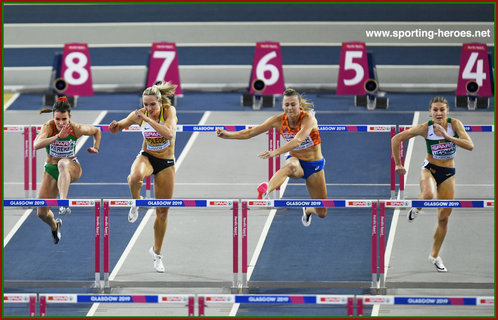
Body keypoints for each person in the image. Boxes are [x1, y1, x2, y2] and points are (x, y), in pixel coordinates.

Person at [217, 88, 327, 227]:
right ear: (282, 105)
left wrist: (276, 152)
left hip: (315, 165)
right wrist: (228, 135)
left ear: (299, 105)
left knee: (322, 212)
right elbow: (250, 133)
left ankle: (307, 209)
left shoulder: (308, 119)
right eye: (286, 105)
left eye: (293, 104)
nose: (290, 108)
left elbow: (298, 140)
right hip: (296, 161)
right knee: (291, 166)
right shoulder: (277, 120)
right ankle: (265, 191)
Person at [391, 96, 474, 272]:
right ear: (430, 112)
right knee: (428, 195)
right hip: (430, 169)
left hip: (448, 173)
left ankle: (434, 256)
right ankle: (417, 207)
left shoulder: (455, 125)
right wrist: (398, 164)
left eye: (441, 110)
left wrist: (446, 136)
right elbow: (396, 139)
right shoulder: (425, 128)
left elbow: (470, 145)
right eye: (435, 110)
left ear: (447, 111)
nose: (438, 113)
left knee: (444, 218)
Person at [109, 81, 178, 273]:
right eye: (146, 105)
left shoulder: (168, 111)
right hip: (147, 157)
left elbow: (169, 134)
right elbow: (118, 127)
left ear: (160, 102)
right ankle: (135, 201)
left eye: (152, 105)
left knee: (162, 213)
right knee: (134, 177)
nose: (149, 108)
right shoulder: (138, 114)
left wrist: (147, 119)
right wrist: (114, 126)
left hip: (166, 163)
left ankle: (156, 253)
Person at [34, 97, 101, 244]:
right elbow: (36, 145)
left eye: (64, 119)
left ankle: (63, 203)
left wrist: (96, 147)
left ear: (69, 117)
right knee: (41, 213)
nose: (60, 123)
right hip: (51, 170)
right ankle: (55, 225)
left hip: (72, 167)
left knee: (63, 163)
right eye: (57, 119)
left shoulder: (76, 128)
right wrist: (58, 136)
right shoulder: (49, 127)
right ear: (53, 117)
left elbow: (97, 130)